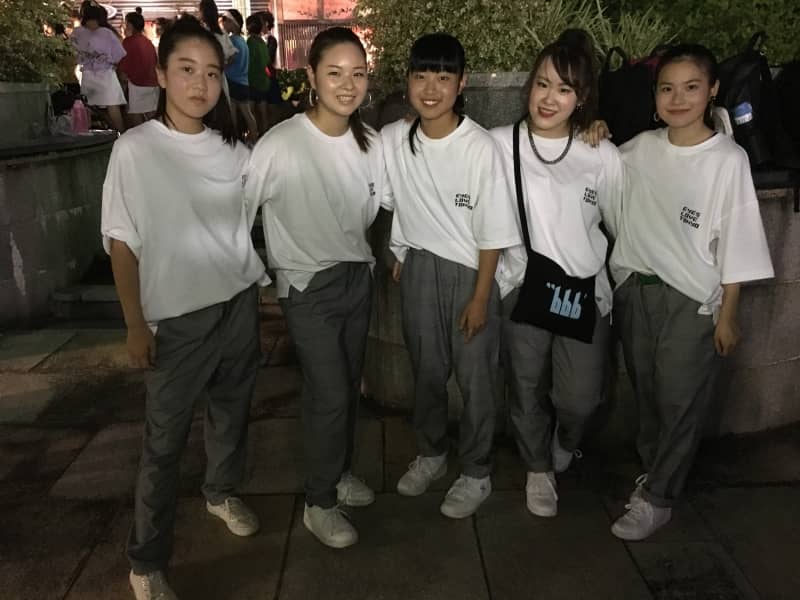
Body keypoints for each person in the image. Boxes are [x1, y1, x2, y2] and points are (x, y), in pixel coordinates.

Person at [101, 15, 267, 600]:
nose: (200, 84)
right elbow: (122, 243)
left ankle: (220, 492)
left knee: (231, 413)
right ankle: (145, 561)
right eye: (187, 69)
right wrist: (134, 324)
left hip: (238, 303)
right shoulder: (135, 149)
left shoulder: (234, 149)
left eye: (212, 73)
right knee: (163, 442)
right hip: (177, 320)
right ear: (162, 74)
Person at [608, 44, 774, 540]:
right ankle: (653, 473)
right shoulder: (637, 150)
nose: (677, 99)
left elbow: (738, 238)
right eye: (667, 88)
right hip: (637, 291)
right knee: (648, 394)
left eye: (691, 87)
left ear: (712, 90)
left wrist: (728, 312)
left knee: (679, 399)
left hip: (691, 300)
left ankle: (659, 498)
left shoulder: (727, 160)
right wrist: (592, 132)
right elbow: (596, 175)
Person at [244, 26, 392, 549]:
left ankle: (339, 470)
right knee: (329, 390)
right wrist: (256, 276)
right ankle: (319, 501)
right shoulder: (281, 143)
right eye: (334, 73)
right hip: (307, 286)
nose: (348, 85)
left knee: (346, 385)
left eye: (358, 74)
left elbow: (388, 201)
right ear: (311, 76)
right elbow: (238, 212)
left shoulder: (372, 143)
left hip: (356, 278)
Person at [383, 33, 521, 519]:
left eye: (443, 77)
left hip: (471, 274)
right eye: (421, 76)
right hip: (420, 268)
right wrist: (402, 250)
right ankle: (431, 452)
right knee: (426, 372)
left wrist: (481, 298)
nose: (431, 88)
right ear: (407, 81)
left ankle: (477, 470)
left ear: (461, 83)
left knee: (476, 377)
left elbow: (494, 232)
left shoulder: (480, 147)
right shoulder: (394, 139)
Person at [491, 29, 623, 518]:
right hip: (522, 285)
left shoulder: (600, 154)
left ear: (581, 97)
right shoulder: (497, 144)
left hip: (584, 291)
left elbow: (621, 222)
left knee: (581, 399)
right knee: (525, 387)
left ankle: (566, 440)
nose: (549, 98)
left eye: (564, 89)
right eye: (543, 84)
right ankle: (537, 467)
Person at [70, 3, 127, 132]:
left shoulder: (77, 33)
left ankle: (89, 134)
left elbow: (73, 52)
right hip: (105, 74)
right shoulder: (107, 33)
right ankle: (120, 133)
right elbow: (119, 54)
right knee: (111, 106)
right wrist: (109, 61)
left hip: (89, 74)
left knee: (90, 106)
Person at [220, 9, 258, 140]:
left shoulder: (231, 41)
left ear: (232, 22)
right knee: (248, 114)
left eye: (225, 21)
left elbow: (231, 58)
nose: (223, 24)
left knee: (233, 115)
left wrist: (222, 67)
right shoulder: (243, 41)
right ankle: (255, 139)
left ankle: (236, 140)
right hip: (244, 83)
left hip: (232, 83)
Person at [119, 7, 159, 126]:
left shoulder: (128, 42)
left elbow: (124, 66)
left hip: (137, 84)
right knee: (152, 115)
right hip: (153, 83)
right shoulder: (148, 42)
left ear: (130, 25)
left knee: (135, 114)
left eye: (126, 23)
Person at [245, 13, 271, 134]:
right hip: (264, 82)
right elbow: (267, 61)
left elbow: (248, 62)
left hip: (252, 81)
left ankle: (253, 138)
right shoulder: (262, 42)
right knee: (264, 114)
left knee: (250, 114)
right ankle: (266, 136)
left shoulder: (250, 42)